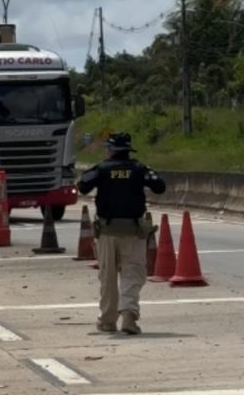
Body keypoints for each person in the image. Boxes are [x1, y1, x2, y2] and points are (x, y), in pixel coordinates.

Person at [77, 132, 165, 335]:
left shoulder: (101, 169)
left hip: (107, 232)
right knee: (132, 273)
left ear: (111, 150)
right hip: (133, 231)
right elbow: (159, 186)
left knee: (107, 276)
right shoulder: (139, 169)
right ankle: (129, 316)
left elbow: (83, 186)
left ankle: (107, 320)